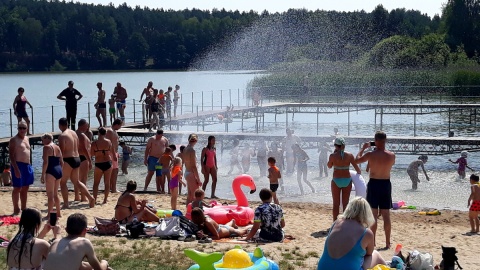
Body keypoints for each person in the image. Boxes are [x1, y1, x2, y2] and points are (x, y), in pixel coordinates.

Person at [317, 197, 386, 270]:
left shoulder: (336, 223)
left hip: (323, 267)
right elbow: (369, 253)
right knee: (376, 255)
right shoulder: (366, 233)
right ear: (367, 214)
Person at [355, 131, 395, 249]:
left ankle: (373, 241)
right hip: (386, 184)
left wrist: (363, 149)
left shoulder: (370, 155)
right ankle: (387, 242)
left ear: (376, 141)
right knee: (386, 215)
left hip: (374, 183)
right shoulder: (392, 155)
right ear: (385, 141)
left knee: (373, 215)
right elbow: (388, 164)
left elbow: (356, 160)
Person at [44, 213, 110, 270]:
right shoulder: (84, 242)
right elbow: (99, 269)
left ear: (66, 229)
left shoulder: (55, 242)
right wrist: (104, 263)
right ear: (85, 231)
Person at [58, 117, 95, 209]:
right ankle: (90, 198)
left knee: (63, 183)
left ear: (60, 125)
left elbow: (61, 152)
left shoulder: (62, 136)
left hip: (68, 159)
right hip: (77, 158)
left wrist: (59, 163)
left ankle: (66, 204)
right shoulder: (74, 133)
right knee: (77, 181)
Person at [327, 137, 362, 221]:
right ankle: (345, 222)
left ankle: (335, 223)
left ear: (335, 145)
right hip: (347, 181)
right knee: (345, 204)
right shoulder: (350, 155)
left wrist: (334, 156)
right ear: (344, 145)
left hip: (336, 181)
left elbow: (329, 166)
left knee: (336, 204)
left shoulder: (332, 156)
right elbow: (358, 170)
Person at [9, 121, 34, 215]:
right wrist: (15, 169)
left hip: (27, 165)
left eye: (24, 128)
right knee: (17, 188)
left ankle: (24, 207)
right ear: (17, 128)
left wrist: (30, 166)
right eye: (20, 128)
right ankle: (16, 208)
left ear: (27, 129)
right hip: (18, 165)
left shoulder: (27, 138)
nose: (22, 130)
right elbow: (11, 155)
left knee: (25, 187)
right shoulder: (14, 140)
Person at [41, 133, 63, 219]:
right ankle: (59, 213)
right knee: (56, 194)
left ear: (47, 139)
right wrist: (60, 171)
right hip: (58, 170)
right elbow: (62, 162)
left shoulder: (46, 147)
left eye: (43, 140)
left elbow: (45, 162)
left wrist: (43, 174)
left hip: (51, 170)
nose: (42, 142)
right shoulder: (57, 147)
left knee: (50, 195)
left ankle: (49, 215)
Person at [90, 127, 113, 204]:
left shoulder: (94, 143)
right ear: (105, 133)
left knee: (96, 183)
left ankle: (95, 199)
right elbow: (110, 151)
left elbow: (92, 154)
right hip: (108, 162)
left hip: (99, 163)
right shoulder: (109, 142)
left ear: (98, 133)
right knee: (107, 183)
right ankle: (105, 200)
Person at [76, 119, 92, 202]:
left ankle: (76, 196)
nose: (87, 127)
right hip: (83, 156)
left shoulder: (74, 133)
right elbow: (84, 148)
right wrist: (89, 160)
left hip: (76, 156)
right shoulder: (81, 135)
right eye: (86, 126)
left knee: (77, 178)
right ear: (82, 125)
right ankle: (83, 197)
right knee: (83, 179)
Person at [184, 134, 202, 205]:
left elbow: (185, 163)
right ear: (196, 141)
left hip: (187, 172)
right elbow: (194, 166)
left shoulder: (185, 149)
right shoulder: (192, 150)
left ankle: (187, 211)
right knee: (196, 195)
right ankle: (196, 211)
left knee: (190, 195)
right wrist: (198, 179)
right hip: (191, 173)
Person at [106, 119, 122, 193]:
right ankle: (113, 188)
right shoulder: (110, 131)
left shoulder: (114, 131)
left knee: (115, 170)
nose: (120, 127)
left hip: (114, 152)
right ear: (117, 124)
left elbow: (115, 143)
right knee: (114, 171)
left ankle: (113, 187)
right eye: (120, 125)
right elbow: (110, 144)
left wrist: (117, 153)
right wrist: (113, 153)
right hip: (111, 153)